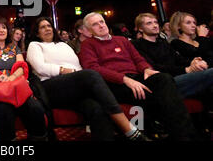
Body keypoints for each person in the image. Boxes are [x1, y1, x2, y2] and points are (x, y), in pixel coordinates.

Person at [79, 12, 198, 140]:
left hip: (136, 77)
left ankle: (184, 135)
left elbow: (138, 59)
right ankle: (166, 131)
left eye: (101, 21)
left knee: (164, 79)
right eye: (95, 24)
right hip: (115, 83)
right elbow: (92, 68)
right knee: (154, 95)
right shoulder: (88, 44)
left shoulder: (122, 40)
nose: (101, 26)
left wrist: (146, 69)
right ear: (90, 30)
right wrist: (125, 79)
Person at [26, 17, 149, 141]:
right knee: (91, 74)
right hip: (50, 87)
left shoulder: (64, 45)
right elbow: (40, 68)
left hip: (74, 87)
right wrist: (65, 71)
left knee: (96, 108)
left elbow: (78, 65)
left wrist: (77, 74)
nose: (47, 29)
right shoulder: (34, 45)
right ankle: (128, 129)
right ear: (37, 32)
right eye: (42, 27)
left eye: (49, 26)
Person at [0, 17, 47, 141]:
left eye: (4, 27)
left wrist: (11, 78)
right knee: (4, 110)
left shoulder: (14, 47)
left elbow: (22, 66)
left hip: (16, 89)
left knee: (35, 108)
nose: (1, 30)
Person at [132, 13, 213, 100]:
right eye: (149, 23)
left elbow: (178, 59)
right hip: (166, 82)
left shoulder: (162, 42)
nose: (155, 25)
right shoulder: (137, 45)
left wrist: (192, 62)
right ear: (140, 28)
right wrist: (186, 69)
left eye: (156, 22)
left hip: (177, 76)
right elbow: (153, 67)